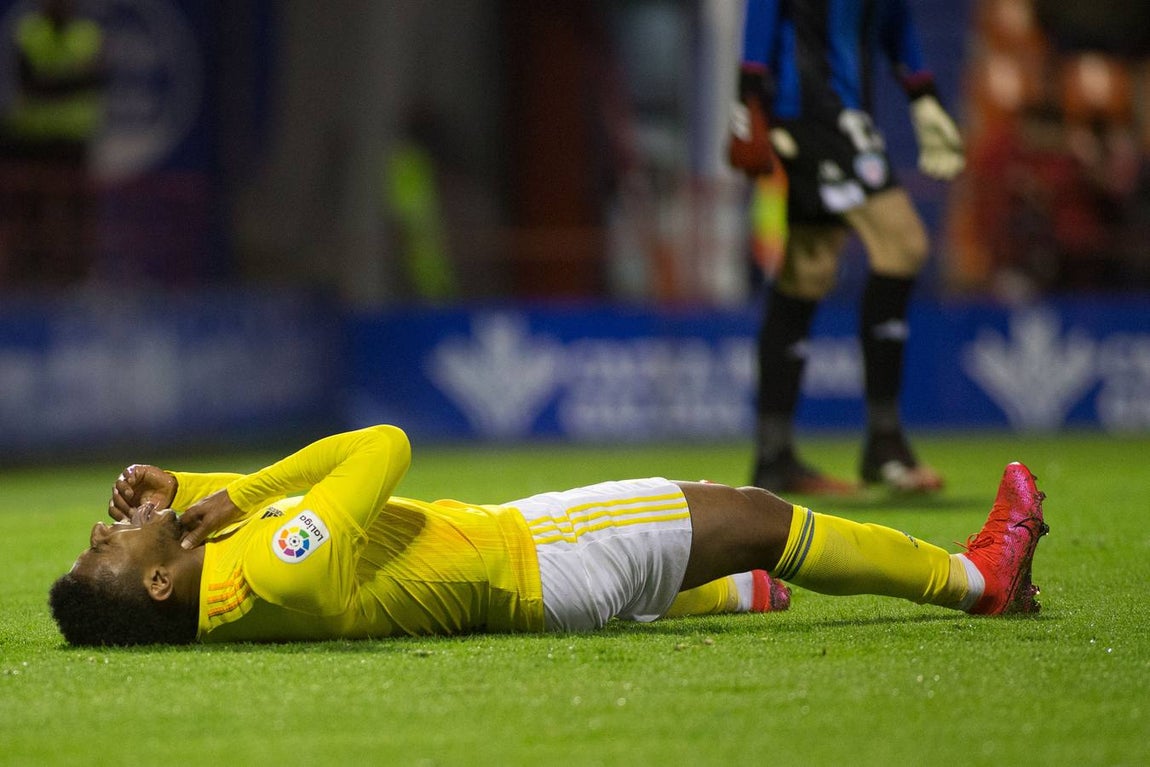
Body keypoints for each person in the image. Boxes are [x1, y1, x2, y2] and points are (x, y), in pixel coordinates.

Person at [48, 424, 1048, 646]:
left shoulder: (228, 582)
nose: (105, 529)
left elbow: (255, 518)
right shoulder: (266, 567)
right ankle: (977, 576)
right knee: (755, 513)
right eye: (106, 550)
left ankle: (740, 591)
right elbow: (383, 449)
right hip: (543, 553)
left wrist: (187, 490)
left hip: (525, 561)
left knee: (730, 547)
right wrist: (239, 489)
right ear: (155, 588)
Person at [728, 0, 965, 494]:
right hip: (809, 111)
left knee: (808, 270)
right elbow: (763, 9)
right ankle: (884, 444)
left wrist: (922, 95)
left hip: (846, 114)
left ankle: (775, 456)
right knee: (903, 243)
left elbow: (895, 20)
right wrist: (749, 97)